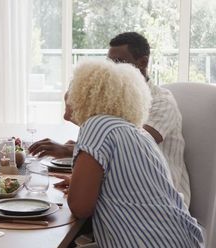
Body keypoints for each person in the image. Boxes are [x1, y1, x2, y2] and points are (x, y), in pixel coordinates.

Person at [29, 32, 191, 207]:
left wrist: (72, 146)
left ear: (142, 62)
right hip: (127, 188)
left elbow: (130, 147)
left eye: (119, 62)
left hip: (164, 197)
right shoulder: (119, 100)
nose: (112, 69)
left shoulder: (162, 102)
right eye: (109, 62)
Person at [62, 59, 204, 248]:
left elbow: (80, 207)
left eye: (71, 93)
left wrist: (77, 188)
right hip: (178, 243)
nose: (66, 98)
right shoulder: (137, 133)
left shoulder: (96, 125)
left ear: (85, 95)